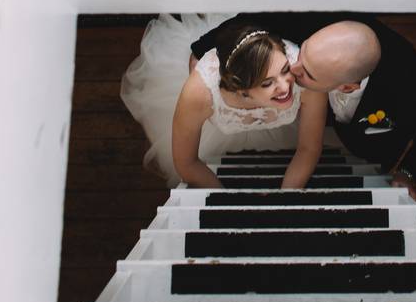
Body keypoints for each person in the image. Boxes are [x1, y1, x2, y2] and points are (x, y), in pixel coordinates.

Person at [190, 13, 416, 199]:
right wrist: (207, 65)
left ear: (346, 87)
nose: (292, 69)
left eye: (308, 73)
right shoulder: (315, 24)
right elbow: (248, 24)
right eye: (303, 52)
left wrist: (407, 173)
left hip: (361, 147)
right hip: (300, 122)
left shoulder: (413, 91)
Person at [121, 14, 328, 188]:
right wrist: (222, 200)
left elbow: (308, 148)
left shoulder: (304, 75)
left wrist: (286, 197)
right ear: (242, 91)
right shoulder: (200, 93)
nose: (285, 86)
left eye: (284, 70)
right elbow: (186, 163)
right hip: (218, 131)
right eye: (267, 83)